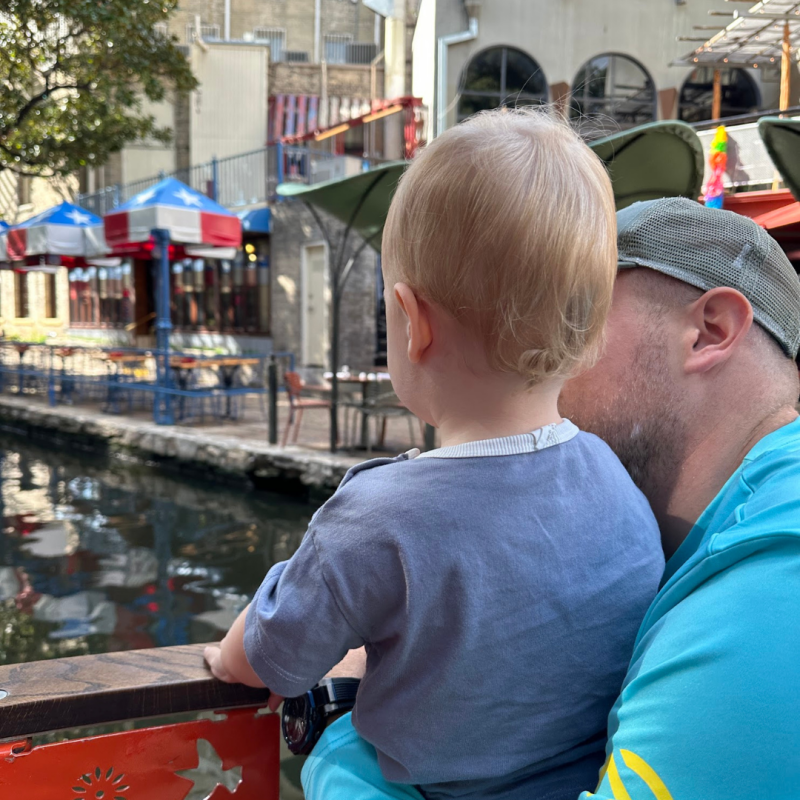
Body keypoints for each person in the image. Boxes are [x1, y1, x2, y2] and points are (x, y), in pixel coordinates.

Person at [204, 108, 664, 800]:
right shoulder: (614, 479)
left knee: (337, 758)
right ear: (588, 329)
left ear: (412, 322)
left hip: (426, 790)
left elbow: (267, 658)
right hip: (585, 782)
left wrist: (225, 655)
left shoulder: (374, 518)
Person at [298, 197, 800, 800]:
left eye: (572, 319)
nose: (526, 356)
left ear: (709, 331)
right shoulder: (733, 534)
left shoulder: (767, 590)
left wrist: (341, 731)